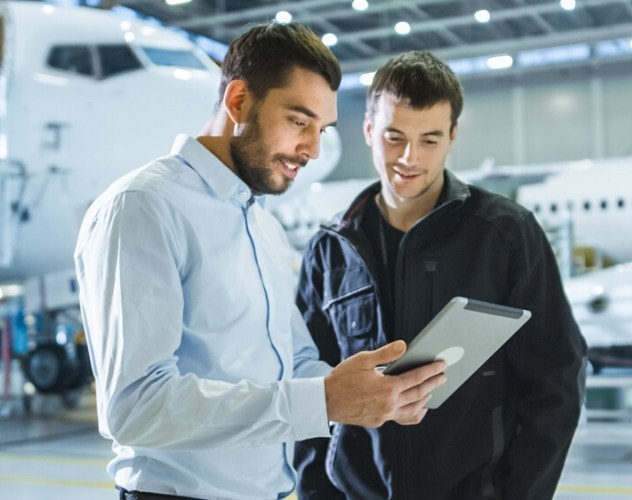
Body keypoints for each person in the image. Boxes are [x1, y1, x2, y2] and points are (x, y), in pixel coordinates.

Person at [74, 24, 446, 500]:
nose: (311, 149)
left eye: (321, 129)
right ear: (238, 102)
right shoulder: (144, 206)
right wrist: (322, 399)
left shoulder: (261, 224)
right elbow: (136, 407)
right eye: (298, 121)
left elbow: (292, 363)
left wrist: (375, 394)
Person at [293, 51, 587, 499]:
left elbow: (557, 381)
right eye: (394, 137)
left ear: (452, 137)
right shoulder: (331, 249)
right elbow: (308, 386)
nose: (409, 158)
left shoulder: (505, 235)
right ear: (369, 130)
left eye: (429, 140)